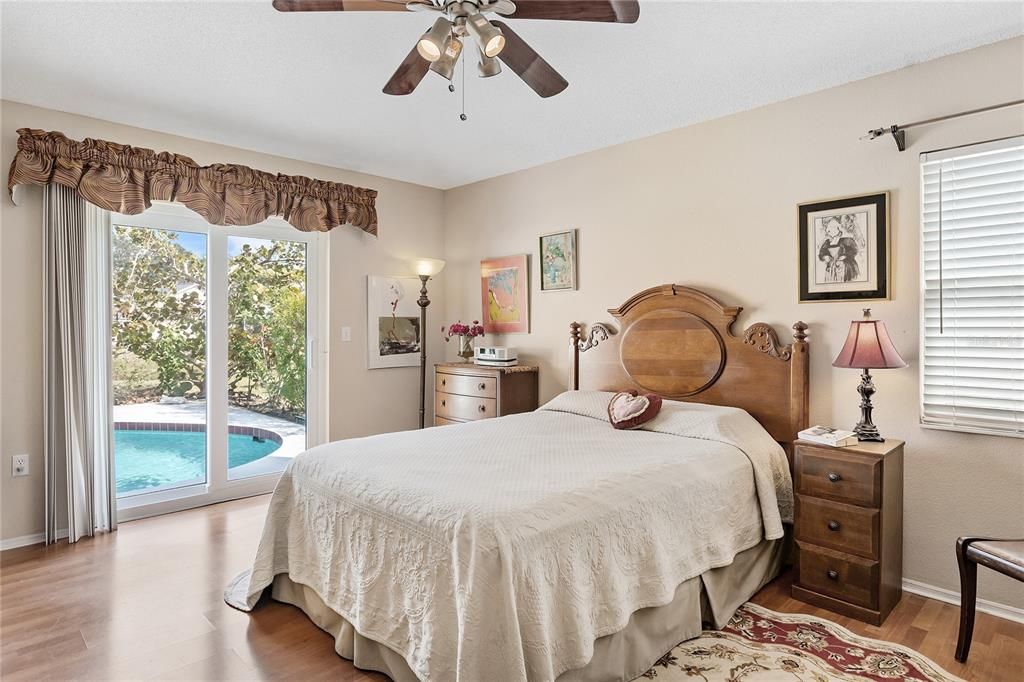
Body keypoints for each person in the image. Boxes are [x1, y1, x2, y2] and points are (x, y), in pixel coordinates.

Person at [817, 216, 860, 282]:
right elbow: (821, 253)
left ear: (839, 228)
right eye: (828, 227)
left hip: (845, 268)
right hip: (831, 269)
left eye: (832, 227)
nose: (828, 230)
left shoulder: (847, 239)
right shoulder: (827, 242)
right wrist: (825, 256)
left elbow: (855, 250)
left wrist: (845, 256)